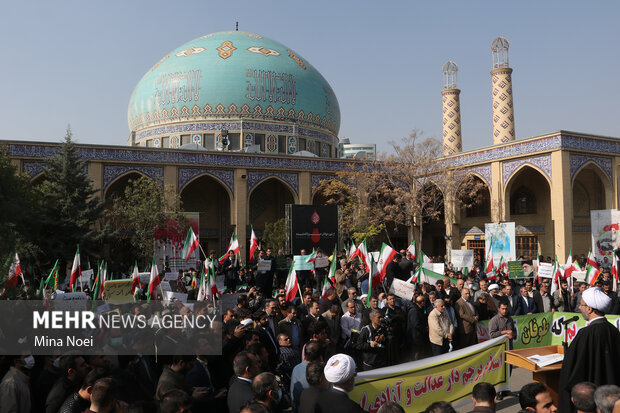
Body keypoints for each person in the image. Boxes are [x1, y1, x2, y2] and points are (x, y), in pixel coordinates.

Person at [558, 287, 620, 413]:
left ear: (589, 308)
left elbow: (571, 370)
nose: (579, 308)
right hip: (612, 398)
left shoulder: (585, 334)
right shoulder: (613, 330)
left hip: (591, 400)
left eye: (581, 305)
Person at [407, 294, 430, 360]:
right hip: (416, 338)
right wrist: (425, 329)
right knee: (416, 354)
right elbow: (415, 324)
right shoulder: (414, 311)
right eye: (423, 301)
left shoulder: (420, 309)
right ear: (421, 302)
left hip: (419, 336)